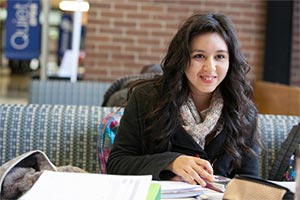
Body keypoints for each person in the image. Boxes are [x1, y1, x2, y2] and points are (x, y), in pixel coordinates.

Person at [107, 13, 261, 187]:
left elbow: (251, 182)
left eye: (220, 57)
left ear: (230, 61)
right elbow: (117, 164)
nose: (210, 67)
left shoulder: (243, 111)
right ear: (182, 59)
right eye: (199, 56)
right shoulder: (146, 98)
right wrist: (171, 162)